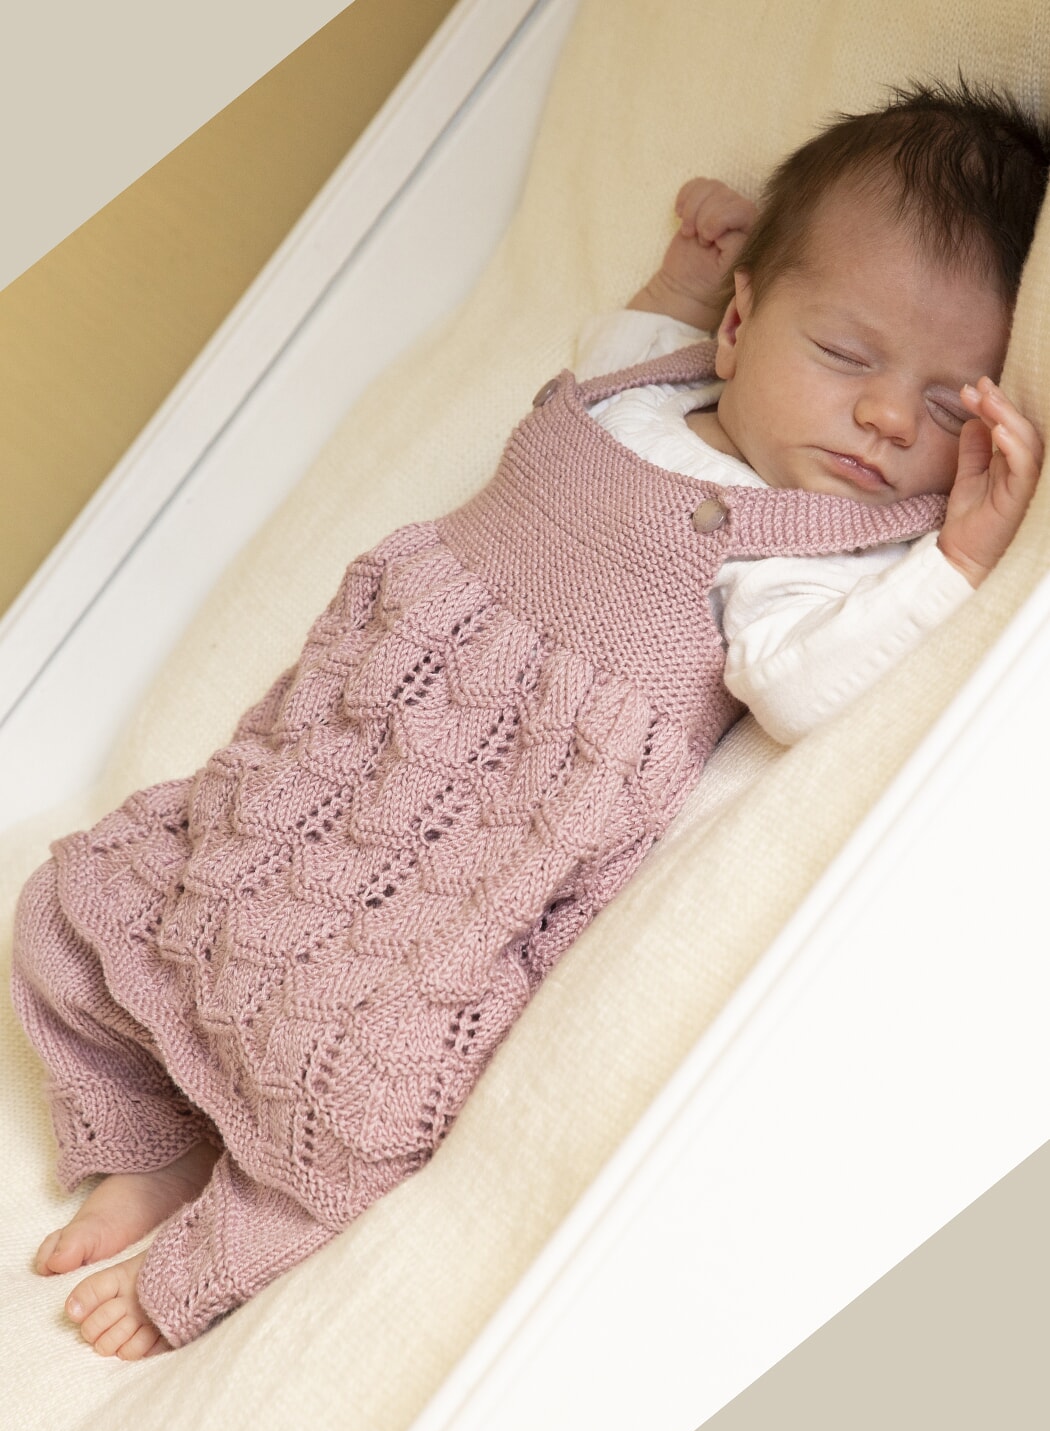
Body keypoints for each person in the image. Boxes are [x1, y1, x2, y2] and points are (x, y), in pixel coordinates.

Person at [11, 80, 1047, 1359]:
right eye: (845, 356)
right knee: (82, 907)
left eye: (948, 406)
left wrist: (953, 560)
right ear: (736, 329)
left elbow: (801, 685)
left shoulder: (806, 551)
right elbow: (619, 341)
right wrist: (681, 273)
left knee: (365, 1083)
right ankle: (151, 1143)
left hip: (472, 852)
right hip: (335, 761)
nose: (888, 417)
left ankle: (228, 1237)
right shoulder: (644, 387)